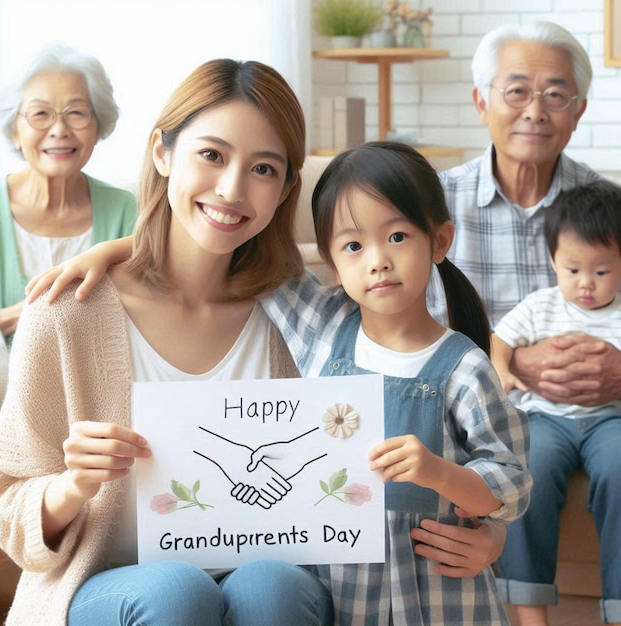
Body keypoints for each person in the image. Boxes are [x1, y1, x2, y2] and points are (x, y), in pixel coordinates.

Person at [0, 57, 334, 626]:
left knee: (272, 585)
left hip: (260, 575)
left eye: (264, 169)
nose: (231, 189)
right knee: (176, 592)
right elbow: (9, 513)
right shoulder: (64, 313)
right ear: (162, 152)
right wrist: (73, 485)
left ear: (286, 189)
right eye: (211, 155)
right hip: (111, 592)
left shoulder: (298, 313)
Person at [260, 141, 531, 625]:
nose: (378, 260)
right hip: (338, 584)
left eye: (399, 237)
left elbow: (510, 485)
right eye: (353, 246)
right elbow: (238, 251)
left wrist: (436, 472)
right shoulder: (321, 327)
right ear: (331, 260)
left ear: (440, 241)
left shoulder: (465, 367)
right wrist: (119, 249)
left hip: (440, 593)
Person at [430, 20, 621, 625]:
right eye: (517, 91)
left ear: (579, 109)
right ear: (481, 100)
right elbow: (409, 329)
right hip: (476, 407)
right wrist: (512, 365)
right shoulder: (435, 204)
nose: (535, 111)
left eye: (555, 93)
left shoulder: (608, 210)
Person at [491, 180, 621, 626]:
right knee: (529, 470)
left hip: (611, 420)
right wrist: (505, 371)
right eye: (572, 270)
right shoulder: (540, 306)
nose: (586, 284)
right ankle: (530, 613)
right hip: (547, 417)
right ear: (552, 261)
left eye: (602, 272)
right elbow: (499, 341)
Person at [0, 43, 137, 414]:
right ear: (14, 130)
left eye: (76, 113)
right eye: (40, 114)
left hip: (100, 404)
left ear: (99, 126)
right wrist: (18, 318)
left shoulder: (127, 208)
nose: (59, 130)